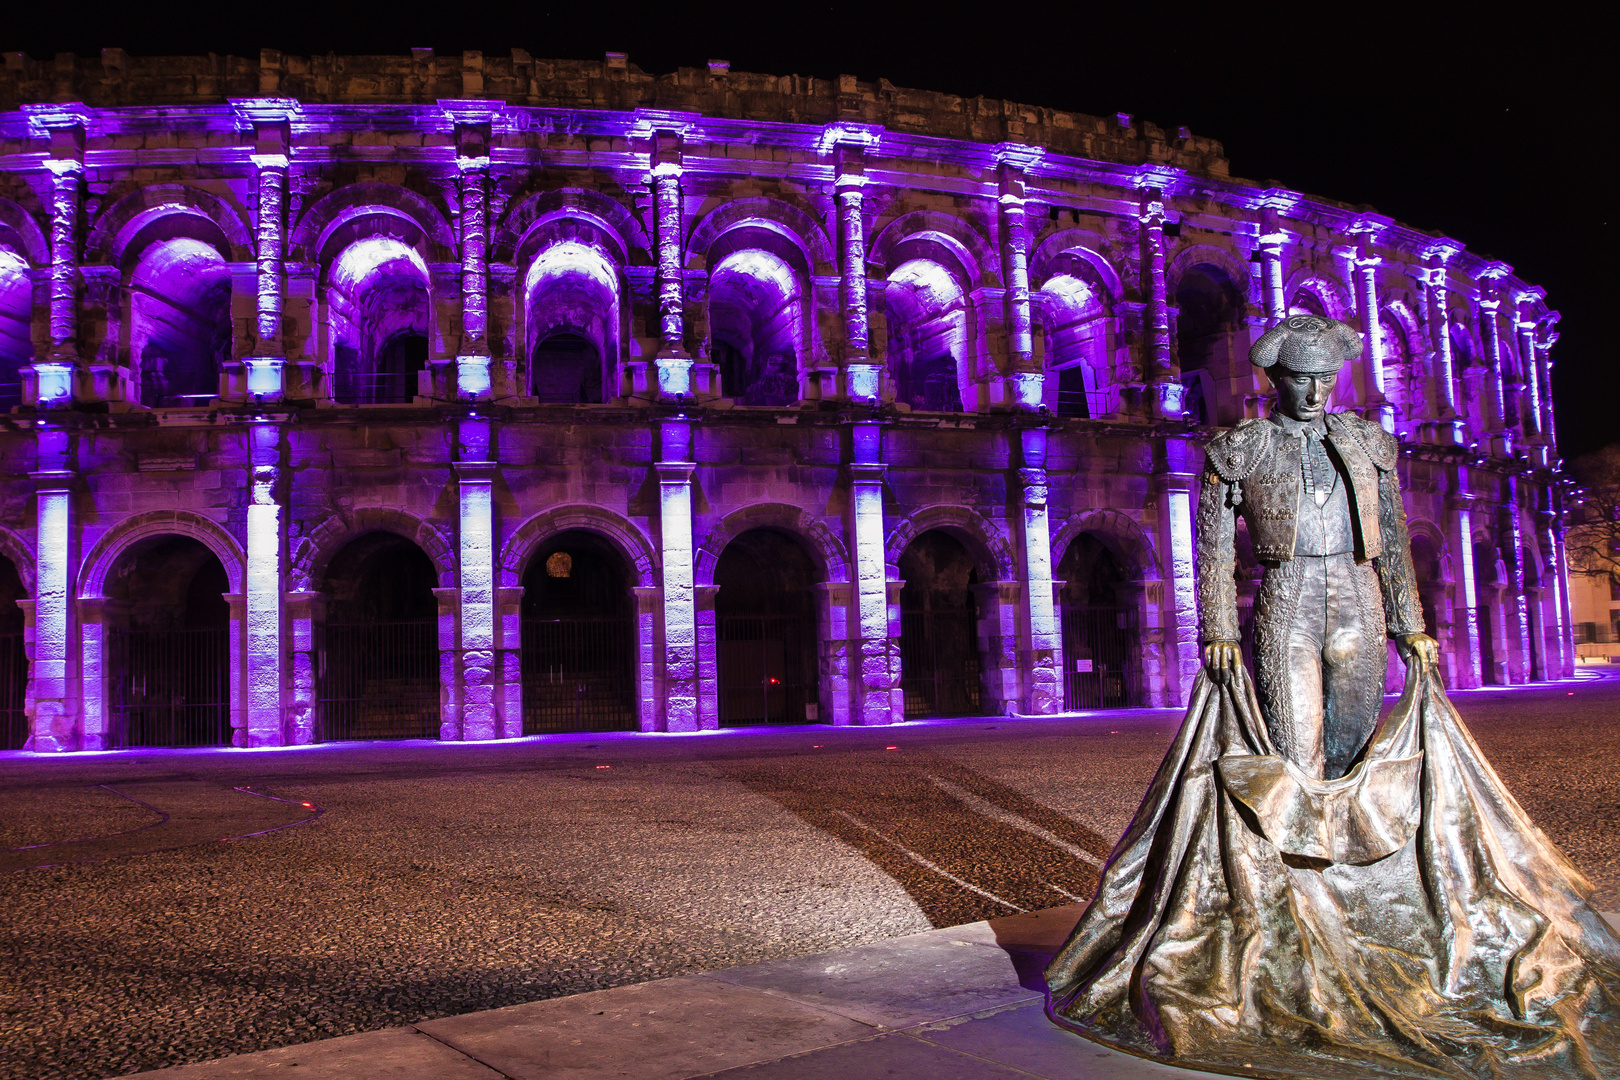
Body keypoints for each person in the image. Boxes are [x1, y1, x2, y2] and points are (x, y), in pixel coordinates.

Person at [1045, 316, 1620, 1080]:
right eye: (1300, 380)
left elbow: (1388, 543)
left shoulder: (1365, 444)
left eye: (1325, 379)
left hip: (1357, 598)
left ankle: (1354, 896)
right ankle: (1298, 912)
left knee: (1355, 749)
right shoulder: (1239, 449)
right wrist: (1217, 628)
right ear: (1274, 382)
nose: (1315, 392)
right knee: (1297, 751)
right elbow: (1214, 553)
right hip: (1285, 598)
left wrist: (1411, 626)